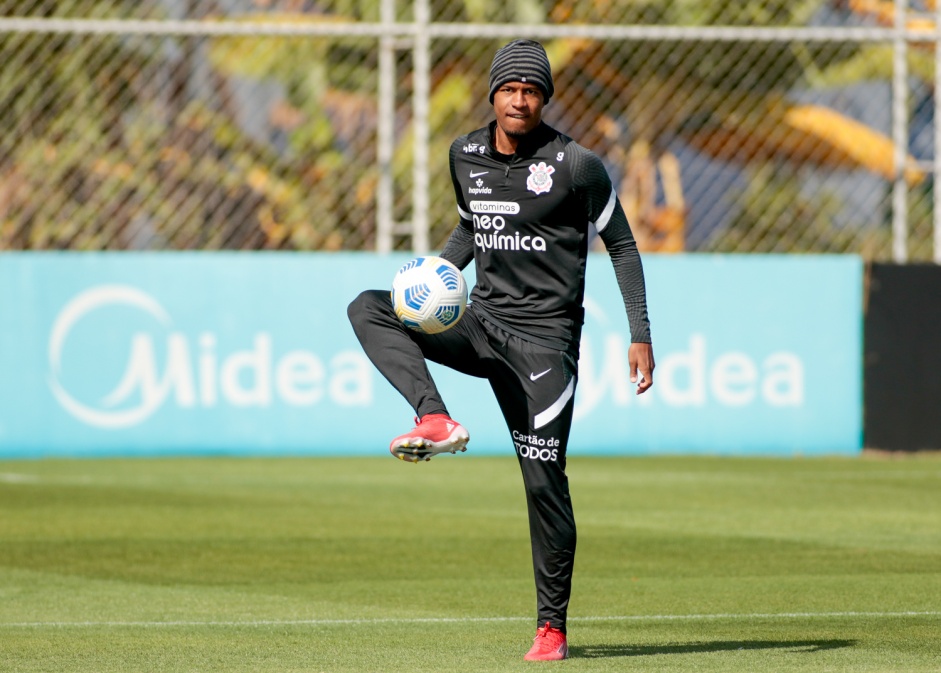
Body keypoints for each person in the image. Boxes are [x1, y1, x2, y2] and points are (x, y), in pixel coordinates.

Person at [347, 39, 655, 661]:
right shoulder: (464, 154)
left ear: (544, 99)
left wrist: (640, 332)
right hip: (480, 324)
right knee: (369, 306)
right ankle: (434, 417)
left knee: (544, 485)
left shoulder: (577, 165)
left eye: (532, 90)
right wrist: (433, 279)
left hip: (544, 349)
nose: (520, 99)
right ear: (493, 95)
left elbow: (621, 246)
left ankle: (552, 627)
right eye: (510, 89)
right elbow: (472, 222)